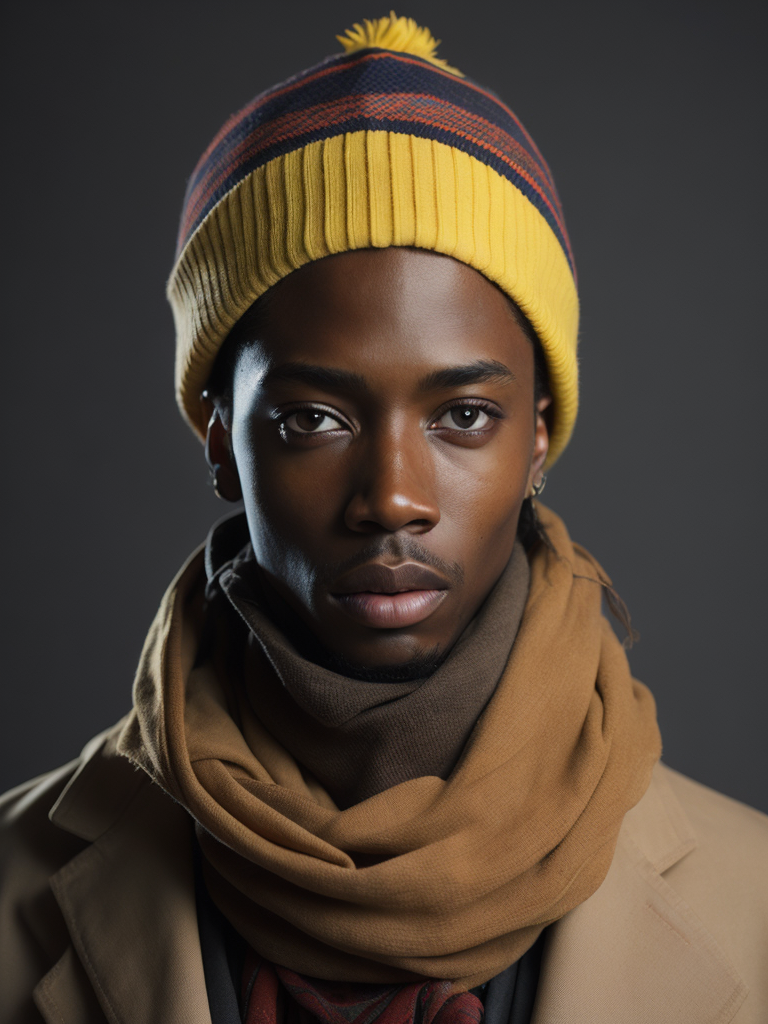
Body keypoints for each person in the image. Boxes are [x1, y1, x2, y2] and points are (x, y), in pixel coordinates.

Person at [1, 13, 765, 1024]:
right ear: (221, 439)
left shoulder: (755, 904)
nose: (394, 498)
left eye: (463, 416)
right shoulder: (14, 886)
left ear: (538, 437)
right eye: (314, 417)